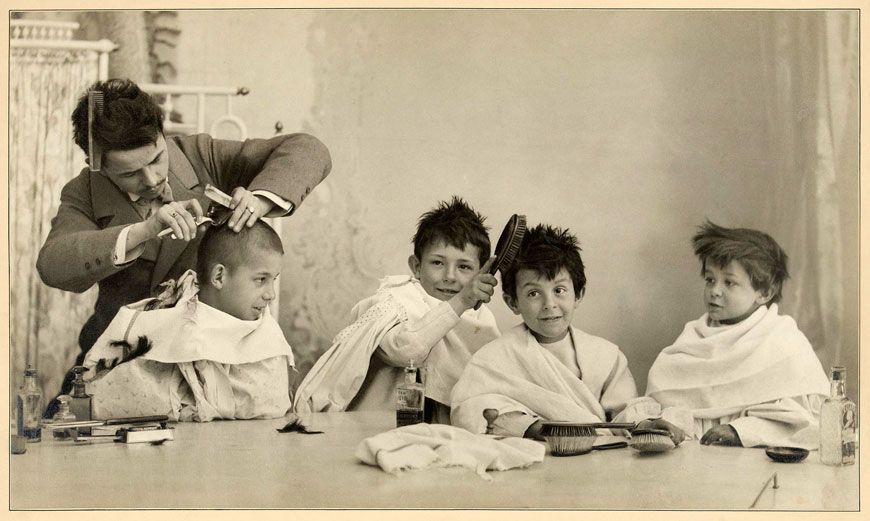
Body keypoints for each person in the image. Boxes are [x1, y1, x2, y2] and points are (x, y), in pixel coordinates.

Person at [36, 78, 331, 373]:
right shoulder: (83, 191)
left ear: (163, 135)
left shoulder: (202, 155)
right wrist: (142, 232)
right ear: (95, 164)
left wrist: (260, 199)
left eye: (156, 159)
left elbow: (308, 149)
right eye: (130, 174)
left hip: (210, 357)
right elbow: (52, 266)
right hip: (116, 361)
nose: (151, 180)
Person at [616, 221, 829, 449]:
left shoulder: (783, 342)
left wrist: (742, 431)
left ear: (764, 293)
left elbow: (808, 422)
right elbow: (667, 407)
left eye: (729, 282)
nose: (715, 291)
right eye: (710, 280)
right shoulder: (693, 337)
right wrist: (664, 423)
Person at [293, 197, 501, 423]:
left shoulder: (479, 318)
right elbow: (406, 350)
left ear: (481, 273)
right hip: (378, 426)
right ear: (416, 267)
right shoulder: (395, 303)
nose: (450, 276)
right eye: (438, 263)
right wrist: (461, 301)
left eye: (464, 267)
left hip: (444, 431)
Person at [78, 220, 294, 421]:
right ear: (219, 277)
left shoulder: (266, 332)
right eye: (261, 280)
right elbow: (113, 400)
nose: (270, 294)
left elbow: (272, 405)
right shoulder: (163, 321)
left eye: (273, 280)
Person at [450, 224, 638, 438]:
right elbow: (468, 407)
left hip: (601, 455)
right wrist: (528, 427)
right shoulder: (494, 358)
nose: (549, 304)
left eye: (559, 290)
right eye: (533, 294)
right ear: (513, 303)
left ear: (578, 294)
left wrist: (646, 422)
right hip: (536, 456)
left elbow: (627, 414)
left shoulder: (606, 356)